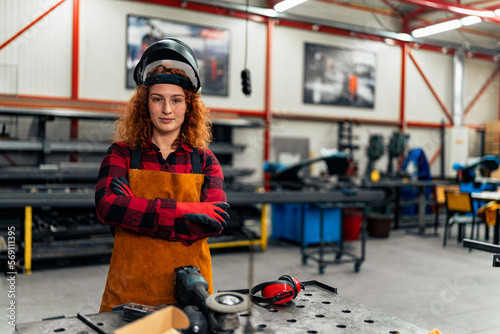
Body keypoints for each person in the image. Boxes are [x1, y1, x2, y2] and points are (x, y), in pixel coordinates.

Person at [95, 38, 230, 312]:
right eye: (158, 99)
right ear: (145, 104)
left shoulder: (205, 162)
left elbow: (213, 221)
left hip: (192, 295)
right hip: (129, 294)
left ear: (189, 106)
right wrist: (184, 210)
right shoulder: (121, 154)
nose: (167, 110)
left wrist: (136, 211)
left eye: (176, 100)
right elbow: (108, 206)